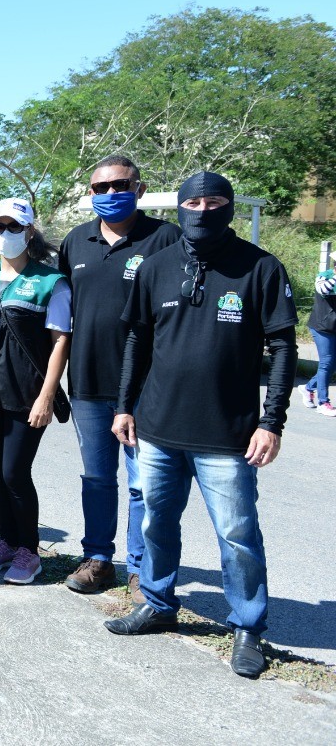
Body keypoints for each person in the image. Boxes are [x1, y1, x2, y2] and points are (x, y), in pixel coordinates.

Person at [106, 171, 298, 681]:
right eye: (193, 201)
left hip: (228, 436)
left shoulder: (260, 268)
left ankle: (247, 627)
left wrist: (271, 420)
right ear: (179, 208)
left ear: (230, 207)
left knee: (237, 534)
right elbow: (137, 342)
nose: (203, 209)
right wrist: (124, 407)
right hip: (158, 428)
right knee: (156, 523)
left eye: (215, 201)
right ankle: (157, 601)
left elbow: (283, 347)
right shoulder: (156, 266)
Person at [58, 155, 180, 600]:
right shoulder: (75, 242)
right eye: (100, 188)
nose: (110, 194)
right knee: (96, 477)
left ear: (140, 188)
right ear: (90, 194)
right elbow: (56, 314)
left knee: (142, 483)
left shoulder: (167, 239)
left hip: (147, 389)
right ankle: (98, 559)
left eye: (120, 185)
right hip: (88, 384)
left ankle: (141, 567)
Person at [0, 198, 71, 585]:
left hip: (27, 394)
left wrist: (46, 397)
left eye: (14, 227)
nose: (5, 235)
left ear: (30, 231)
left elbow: (60, 342)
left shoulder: (51, 282)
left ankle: (29, 551)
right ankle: (6, 540)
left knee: (15, 472)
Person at [301, 267, 335, 416]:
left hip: (334, 328)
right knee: (326, 363)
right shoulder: (324, 277)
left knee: (332, 365)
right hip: (322, 327)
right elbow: (324, 290)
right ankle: (323, 402)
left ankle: (308, 388)